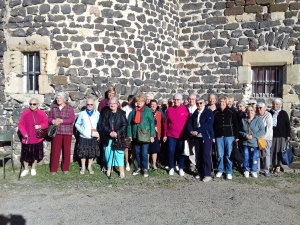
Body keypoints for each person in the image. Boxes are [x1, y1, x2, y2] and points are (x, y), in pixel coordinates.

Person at [18, 98, 48, 177]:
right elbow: (20, 124)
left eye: (34, 104)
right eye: (30, 104)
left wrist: (40, 126)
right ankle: (26, 169)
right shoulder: (25, 112)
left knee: (36, 154)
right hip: (27, 138)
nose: (32, 105)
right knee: (25, 155)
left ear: (38, 105)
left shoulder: (41, 113)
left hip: (37, 138)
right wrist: (24, 133)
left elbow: (46, 123)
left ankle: (33, 168)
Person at [127, 95, 155, 177]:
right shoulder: (133, 112)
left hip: (145, 135)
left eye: (141, 101)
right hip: (135, 135)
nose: (139, 103)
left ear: (144, 102)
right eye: (138, 101)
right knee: (138, 153)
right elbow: (129, 124)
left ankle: (145, 168)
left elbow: (152, 123)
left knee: (144, 153)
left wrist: (152, 135)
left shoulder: (148, 110)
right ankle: (139, 167)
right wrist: (130, 134)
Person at [188, 98, 214, 182]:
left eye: (200, 103)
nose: (199, 105)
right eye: (197, 103)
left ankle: (207, 174)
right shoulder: (195, 113)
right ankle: (200, 171)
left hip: (206, 136)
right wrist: (191, 131)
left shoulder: (208, 112)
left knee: (206, 154)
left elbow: (208, 124)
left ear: (204, 104)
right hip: (197, 136)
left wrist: (198, 130)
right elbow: (190, 123)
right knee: (198, 154)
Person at [48, 92, 75, 175]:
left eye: (59, 98)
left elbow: (72, 119)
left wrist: (62, 121)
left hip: (67, 132)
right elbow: (49, 118)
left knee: (66, 150)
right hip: (57, 131)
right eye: (57, 98)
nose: (58, 99)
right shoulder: (53, 108)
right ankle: (53, 169)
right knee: (55, 150)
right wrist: (53, 121)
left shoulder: (69, 108)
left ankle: (65, 168)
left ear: (64, 99)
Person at [163, 93, 189, 176]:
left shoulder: (185, 109)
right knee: (171, 151)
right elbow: (166, 123)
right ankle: (171, 167)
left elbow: (188, 122)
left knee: (181, 152)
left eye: (178, 99)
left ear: (181, 101)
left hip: (182, 135)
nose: (176, 101)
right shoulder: (169, 110)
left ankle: (181, 167)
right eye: (174, 99)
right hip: (171, 134)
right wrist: (165, 134)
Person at [213, 96, 239, 180]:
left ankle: (229, 171)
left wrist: (237, 136)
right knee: (220, 154)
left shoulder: (231, 111)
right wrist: (213, 136)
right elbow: (213, 126)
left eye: (223, 101)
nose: (221, 103)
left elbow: (236, 124)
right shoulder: (215, 112)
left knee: (228, 155)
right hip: (219, 136)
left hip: (229, 136)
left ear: (226, 102)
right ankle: (220, 170)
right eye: (220, 102)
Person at [101, 97, 127, 179]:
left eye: (114, 103)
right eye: (110, 103)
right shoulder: (105, 112)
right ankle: (109, 169)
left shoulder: (122, 113)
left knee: (119, 153)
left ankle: (121, 170)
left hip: (118, 137)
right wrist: (109, 132)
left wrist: (117, 133)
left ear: (117, 104)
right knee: (108, 153)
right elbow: (103, 124)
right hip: (108, 137)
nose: (112, 105)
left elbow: (124, 125)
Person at [75, 98, 101, 175]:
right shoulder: (82, 113)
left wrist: (99, 134)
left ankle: (89, 166)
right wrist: (82, 131)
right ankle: (83, 167)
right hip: (83, 136)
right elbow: (77, 124)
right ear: (86, 105)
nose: (89, 106)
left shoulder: (97, 113)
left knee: (91, 152)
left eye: (91, 104)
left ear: (93, 105)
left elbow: (99, 125)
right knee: (83, 152)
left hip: (93, 136)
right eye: (88, 104)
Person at [239, 105, 265, 178]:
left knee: (254, 157)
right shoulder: (243, 120)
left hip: (254, 142)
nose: (250, 112)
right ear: (246, 112)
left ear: (254, 111)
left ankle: (253, 170)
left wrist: (253, 136)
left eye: (251, 110)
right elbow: (239, 131)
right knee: (246, 157)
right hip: (245, 142)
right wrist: (244, 135)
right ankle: (246, 170)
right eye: (248, 110)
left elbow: (262, 130)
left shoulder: (258, 120)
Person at [269, 98, 291, 174]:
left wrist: (288, 134)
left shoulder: (284, 113)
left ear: (280, 105)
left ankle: (278, 166)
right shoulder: (269, 113)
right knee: (272, 151)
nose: (275, 105)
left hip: (281, 136)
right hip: (272, 135)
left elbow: (287, 125)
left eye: (277, 104)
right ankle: (273, 165)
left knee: (279, 151)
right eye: (274, 104)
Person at [256, 102, 273, 176]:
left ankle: (266, 170)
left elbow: (269, 128)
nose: (259, 109)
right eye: (257, 108)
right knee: (257, 154)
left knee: (266, 154)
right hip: (257, 138)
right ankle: (257, 169)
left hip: (266, 138)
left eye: (260, 108)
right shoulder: (256, 115)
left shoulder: (268, 115)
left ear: (264, 108)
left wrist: (263, 138)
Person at [122, 95, 135, 171]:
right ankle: (127, 162)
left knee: (133, 148)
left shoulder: (136, 109)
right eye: (131, 100)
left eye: (133, 101)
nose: (132, 102)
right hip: (127, 129)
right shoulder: (124, 109)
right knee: (126, 147)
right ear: (128, 100)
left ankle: (132, 162)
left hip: (134, 130)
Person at [148, 100, 162, 170]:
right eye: (152, 104)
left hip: (155, 133)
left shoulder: (159, 113)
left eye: (155, 104)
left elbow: (160, 124)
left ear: (157, 105)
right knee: (147, 149)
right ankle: (147, 164)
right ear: (150, 105)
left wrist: (159, 135)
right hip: (148, 133)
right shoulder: (147, 112)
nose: (153, 106)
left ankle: (154, 164)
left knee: (154, 150)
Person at [186, 94, 197, 171]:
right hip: (188, 131)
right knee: (190, 148)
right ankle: (192, 164)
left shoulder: (198, 107)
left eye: (193, 99)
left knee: (197, 148)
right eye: (190, 99)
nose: (191, 100)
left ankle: (198, 163)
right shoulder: (185, 108)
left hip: (197, 131)